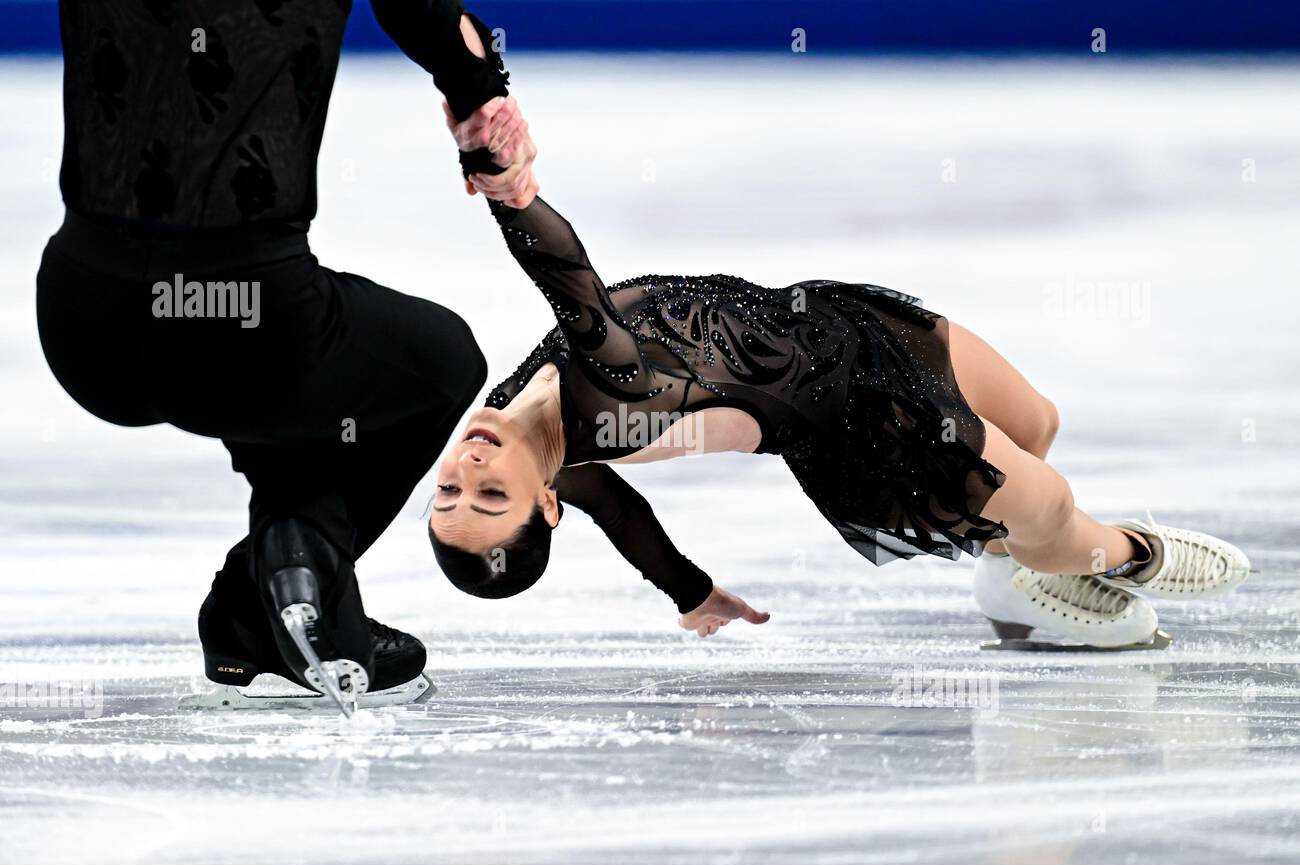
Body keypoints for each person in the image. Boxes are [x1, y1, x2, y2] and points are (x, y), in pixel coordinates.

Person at [427, 185, 1250, 650]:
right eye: (488, 500)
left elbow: (616, 508)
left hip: (847, 327)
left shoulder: (521, 429)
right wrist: (505, 180)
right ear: (542, 505)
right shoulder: (604, 387)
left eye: (450, 496)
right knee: (1053, 507)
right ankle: (1134, 556)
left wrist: (687, 589)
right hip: (867, 429)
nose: (466, 474)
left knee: (1037, 421)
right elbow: (562, 270)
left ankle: (1013, 578)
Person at [36, 0, 537, 710]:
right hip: (245, 326)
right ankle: (264, 595)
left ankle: (264, 616)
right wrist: (483, 104)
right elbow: (430, 19)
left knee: (299, 402)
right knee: (440, 363)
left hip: (81, 316)